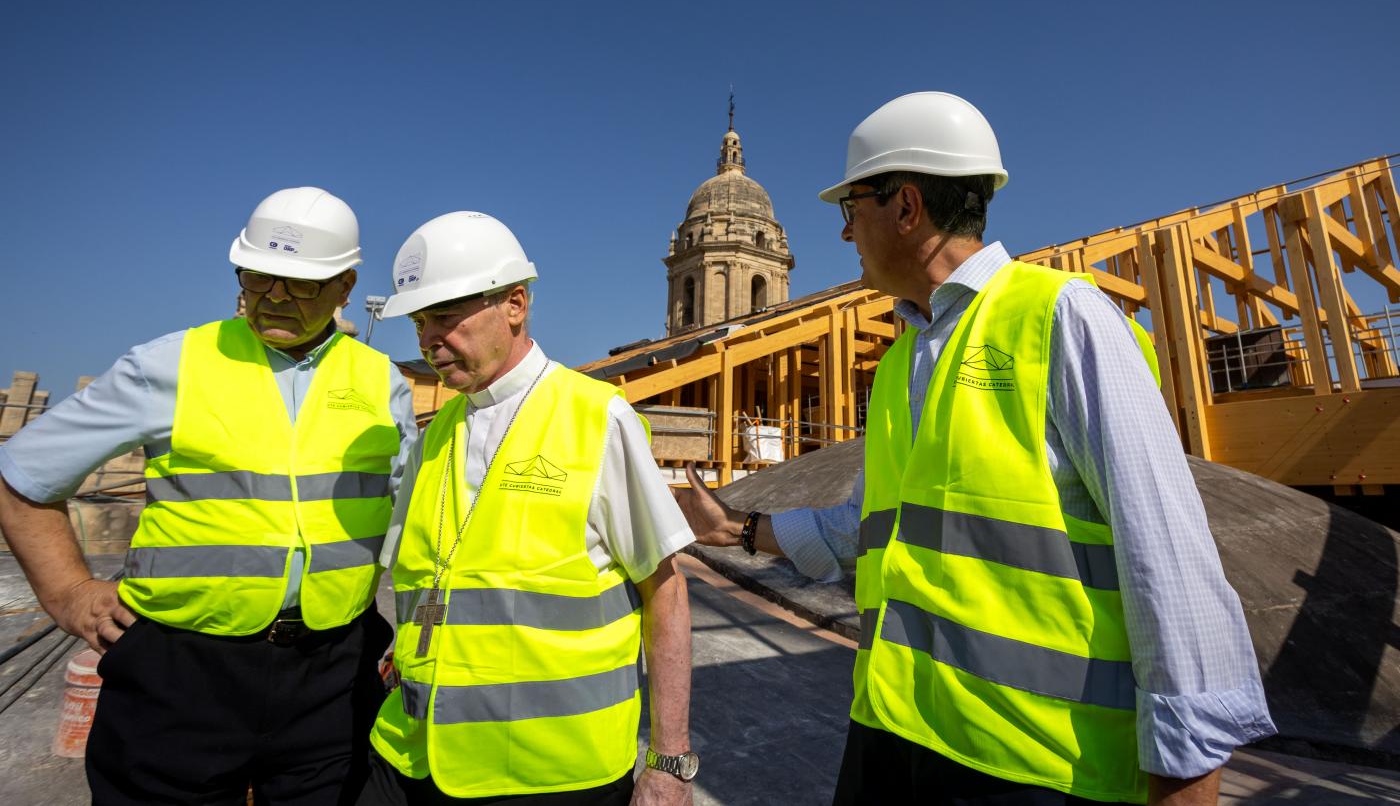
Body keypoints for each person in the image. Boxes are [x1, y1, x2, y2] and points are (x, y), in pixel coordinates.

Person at [677, 92, 1275, 805]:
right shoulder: (903, 360)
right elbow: (867, 527)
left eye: (851, 210)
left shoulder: (1064, 317)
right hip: (891, 740)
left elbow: (1172, 570)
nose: (844, 235)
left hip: (1035, 770)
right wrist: (733, 528)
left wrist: (1185, 781)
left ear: (906, 208)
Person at [0, 186, 417, 805]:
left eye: (301, 285)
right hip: (181, 673)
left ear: (346, 288)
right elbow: (24, 475)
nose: (275, 298)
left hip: (333, 671)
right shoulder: (168, 365)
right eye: (259, 277)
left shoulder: (380, 382)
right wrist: (69, 594)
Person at [362, 211, 697, 806]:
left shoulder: (598, 418)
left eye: (444, 315)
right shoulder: (436, 432)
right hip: (413, 753)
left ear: (515, 304)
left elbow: (665, 592)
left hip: (550, 774)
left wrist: (668, 761)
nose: (427, 339)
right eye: (418, 321)